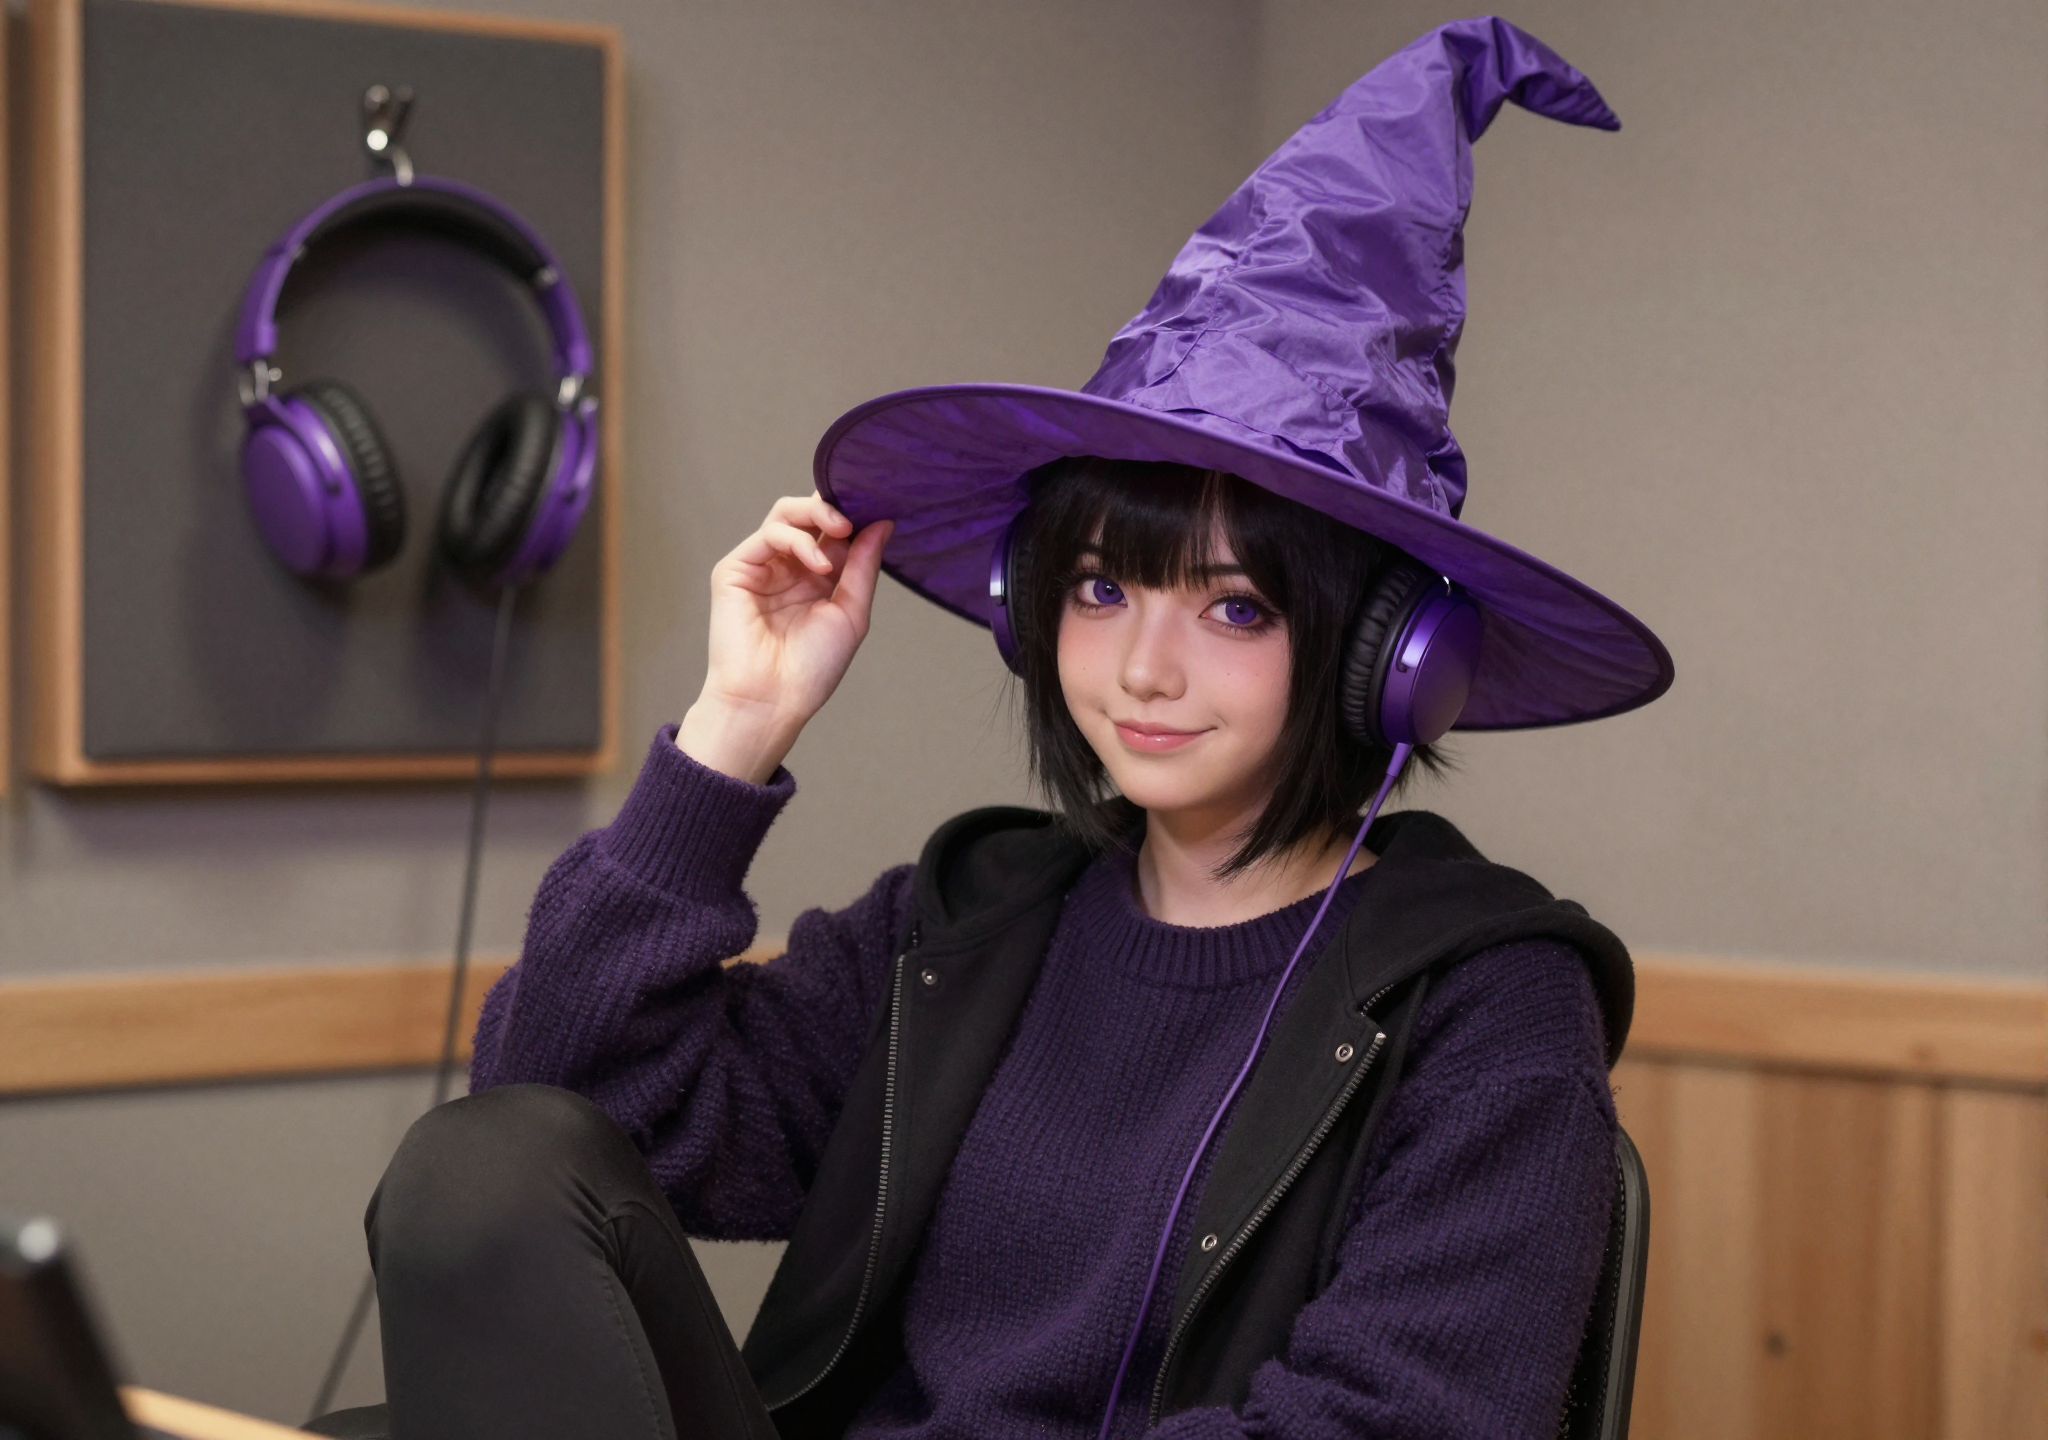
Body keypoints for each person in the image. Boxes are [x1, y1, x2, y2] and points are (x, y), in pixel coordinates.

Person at [347, 19, 1673, 1440]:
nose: (1143, 670)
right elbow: (551, 1122)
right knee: (470, 1171)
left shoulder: (1488, 1003)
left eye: (1234, 608)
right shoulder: (962, 929)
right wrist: (735, 729)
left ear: (1385, 664)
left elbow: (1400, 1424)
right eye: (1101, 588)